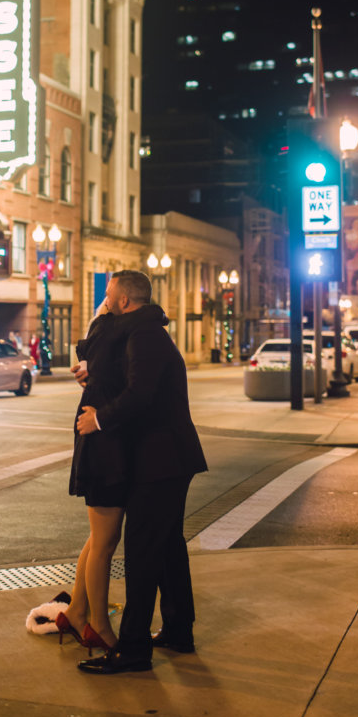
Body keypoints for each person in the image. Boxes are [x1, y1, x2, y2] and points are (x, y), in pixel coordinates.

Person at [75, 269, 207, 675]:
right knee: (166, 547)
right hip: (164, 458)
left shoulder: (145, 334)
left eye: (109, 295)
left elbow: (140, 394)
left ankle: (132, 650)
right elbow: (105, 355)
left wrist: (99, 420)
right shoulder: (142, 329)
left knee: (143, 555)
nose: (105, 300)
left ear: (126, 301)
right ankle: (178, 630)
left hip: (160, 461)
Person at [56, 299, 133, 653]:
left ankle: (76, 611)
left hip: (104, 446)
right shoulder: (106, 340)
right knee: (104, 542)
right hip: (102, 448)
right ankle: (98, 627)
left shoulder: (101, 354)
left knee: (101, 537)